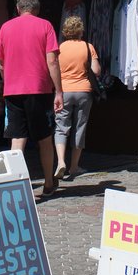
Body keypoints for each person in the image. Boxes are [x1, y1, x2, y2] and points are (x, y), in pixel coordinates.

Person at [0, 0, 63, 198]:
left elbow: (1, 64)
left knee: (17, 137)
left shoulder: (5, 28)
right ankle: (49, 183)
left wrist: (9, 84)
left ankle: (15, 186)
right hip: (38, 89)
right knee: (44, 137)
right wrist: (58, 91)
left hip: (13, 90)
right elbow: (52, 61)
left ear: (18, 9)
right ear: (37, 9)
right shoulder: (45, 26)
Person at [54, 15, 101, 180]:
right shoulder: (88, 47)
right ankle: (74, 166)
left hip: (64, 91)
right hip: (83, 91)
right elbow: (96, 71)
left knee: (61, 127)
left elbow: (53, 69)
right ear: (80, 30)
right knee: (79, 128)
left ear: (65, 31)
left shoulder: (59, 48)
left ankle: (60, 162)